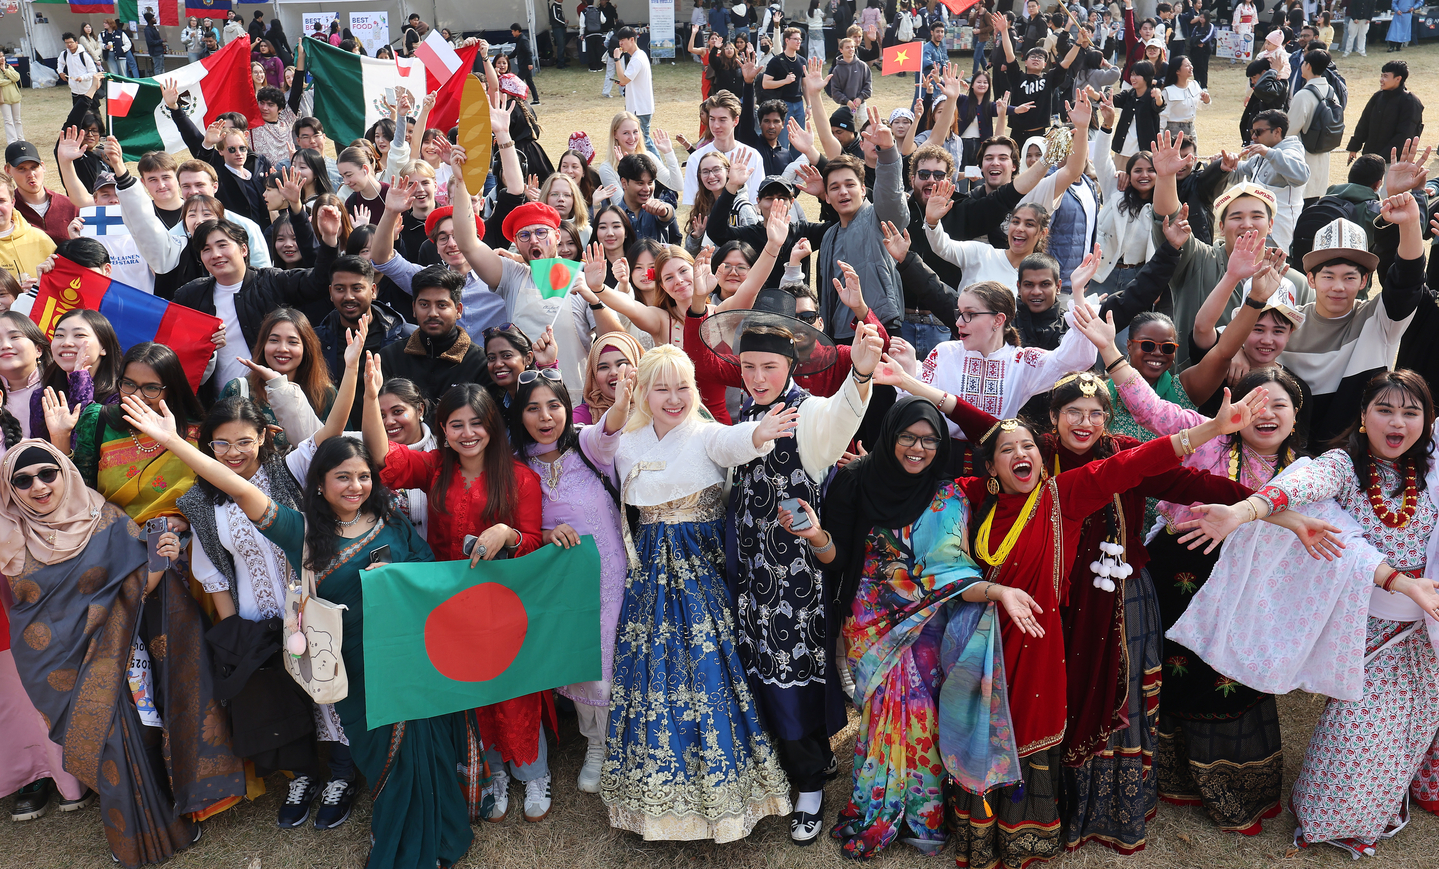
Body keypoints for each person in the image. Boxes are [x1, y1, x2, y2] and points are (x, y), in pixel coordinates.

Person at [124, 391, 475, 868]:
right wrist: (175, 443)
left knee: (425, 755)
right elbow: (239, 487)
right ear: (320, 485)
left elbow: (429, 575)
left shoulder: (391, 521)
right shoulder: (301, 531)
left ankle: (436, 831)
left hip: (408, 661)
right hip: (355, 673)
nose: (355, 486)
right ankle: (401, 840)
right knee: (386, 761)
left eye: (363, 476)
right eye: (342, 477)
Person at [1180, 370, 1439, 858]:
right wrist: (1245, 510)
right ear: (1363, 417)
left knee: (1422, 720)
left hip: (1429, 621)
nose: (1397, 422)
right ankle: (1337, 813)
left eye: (1411, 412)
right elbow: (1301, 481)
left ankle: (1413, 785)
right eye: (1384, 409)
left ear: (1427, 421)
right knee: (1358, 743)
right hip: (1370, 624)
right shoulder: (1342, 465)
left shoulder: (1432, 468)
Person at [0, 439, 245, 866]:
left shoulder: (105, 518)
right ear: (9, 489)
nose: (38, 486)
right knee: (111, 748)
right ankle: (131, 841)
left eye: (47, 473)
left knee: (141, 735)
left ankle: (172, 822)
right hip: (59, 667)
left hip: (120, 650)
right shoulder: (11, 539)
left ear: (65, 473)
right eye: (22, 480)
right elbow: (34, 617)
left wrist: (161, 558)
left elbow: (139, 585)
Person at [697, 295, 881, 844]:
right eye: (748, 366)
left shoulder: (810, 414)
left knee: (793, 676)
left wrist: (863, 373)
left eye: (768, 367)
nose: (756, 376)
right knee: (760, 671)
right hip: (751, 577)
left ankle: (808, 790)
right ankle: (801, 764)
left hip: (797, 583)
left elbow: (844, 413)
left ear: (790, 367)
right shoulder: (747, 415)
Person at [603, 345, 794, 840]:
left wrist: (760, 432)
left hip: (701, 576)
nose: (674, 398)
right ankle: (655, 803)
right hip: (648, 580)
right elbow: (592, 445)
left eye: (683, 386)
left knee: (710, 672)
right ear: (642, 392)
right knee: (650, 675)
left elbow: (734, 442)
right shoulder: (626, 442)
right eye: (661, 388)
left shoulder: (708, 435)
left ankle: (726, 798)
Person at [365, 376, 550, 822]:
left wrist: (507, 533)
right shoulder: (433, 468)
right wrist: (370, 397)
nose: (467, 433)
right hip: (449, 603)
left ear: (492, 425)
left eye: (476, 423)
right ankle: (495, 774)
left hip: (503, 602)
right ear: (441, 428)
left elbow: (532, 542)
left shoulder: (520, 477)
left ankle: (534, 773)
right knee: (470, 689)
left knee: (513, 686)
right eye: (455, 424)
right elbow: (383, 456)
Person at [511, 371, 626, 795]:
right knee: (579, 660)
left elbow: (611, 425)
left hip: (611, 572)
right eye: (533, 407)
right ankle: (595, 744)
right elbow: (515, 524)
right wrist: (545, 534)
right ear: (519, 415)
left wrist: (625, 395)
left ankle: (620, 741)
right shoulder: (515, 463)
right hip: (559, 579)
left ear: (567, 405)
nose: (545, 417)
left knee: (612, 655)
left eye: (554, 405)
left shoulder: (587, 445)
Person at [375, 265, 492, 405]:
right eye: (424, 305)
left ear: (458, 310)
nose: (432, 313)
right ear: (413, 308)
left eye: (442, 305)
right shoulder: (390, 358)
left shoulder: (479, 363)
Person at [1224, 109, 1308, 252]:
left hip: (1278, 235)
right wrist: (1225, 165)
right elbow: (1241, 172)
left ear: (1277, 132)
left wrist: (1268, 153)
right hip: (1261, 227)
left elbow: (1301, 175)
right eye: (1252, 132)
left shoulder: (1290, 152)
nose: (1254, 137)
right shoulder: (1262, 154)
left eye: (1259, 132)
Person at [1345, 61, 1424, 164]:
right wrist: (1354, 147)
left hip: (1395, 161)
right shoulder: (1378, 97)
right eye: (1381, 76)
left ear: (1398, 79)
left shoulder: (1410, 102)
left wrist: (1382, 158)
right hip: (1370, 158)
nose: (1381, 80)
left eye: (1385, 76)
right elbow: (1364, 123)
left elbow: (1405, 134)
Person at [1288, 49, 1337, 208]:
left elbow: (1290, 129)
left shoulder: (1303, 95)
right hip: (1323, 151)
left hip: (1304, 153)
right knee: (1314, 199)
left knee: (1302, 202)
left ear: (1307, 65)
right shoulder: (1330, 91)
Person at [5, 141, 78, 246]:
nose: (31, 174)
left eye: (34, 167)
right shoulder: (7, 210)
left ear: (43, 166)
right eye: (21, 169)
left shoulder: (70, 205)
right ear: (8, 171)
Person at [0, 174, 55, 280]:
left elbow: (61, 282)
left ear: (12, 202)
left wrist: (37, 288)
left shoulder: (39, 239)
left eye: (1, 201)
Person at [58, 33, 99, 109]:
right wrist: (60, 72)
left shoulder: (84, 55)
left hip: (88, 89)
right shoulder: (64, 54)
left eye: (71, 42)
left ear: (76, 42)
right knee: (78, 114)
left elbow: (93, 72)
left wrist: (82, 77)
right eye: (67, 43)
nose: (69, 44)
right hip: (74, 90)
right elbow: (60, 62)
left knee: (93, 114)